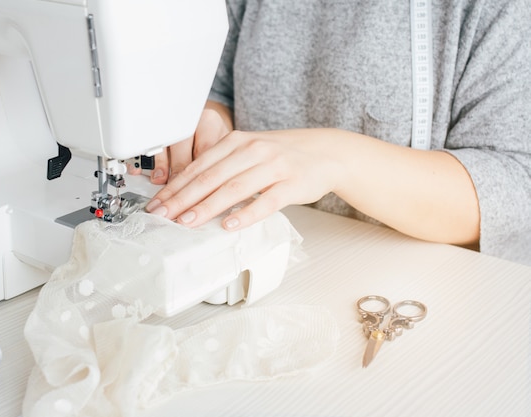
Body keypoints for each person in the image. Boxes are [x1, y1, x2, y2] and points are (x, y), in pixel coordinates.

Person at [133, 1, 531, 265]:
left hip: (426, 284)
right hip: (287, 263)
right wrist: (208, 120)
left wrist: (337, 158)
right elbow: (217, 85)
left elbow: (516, 182)